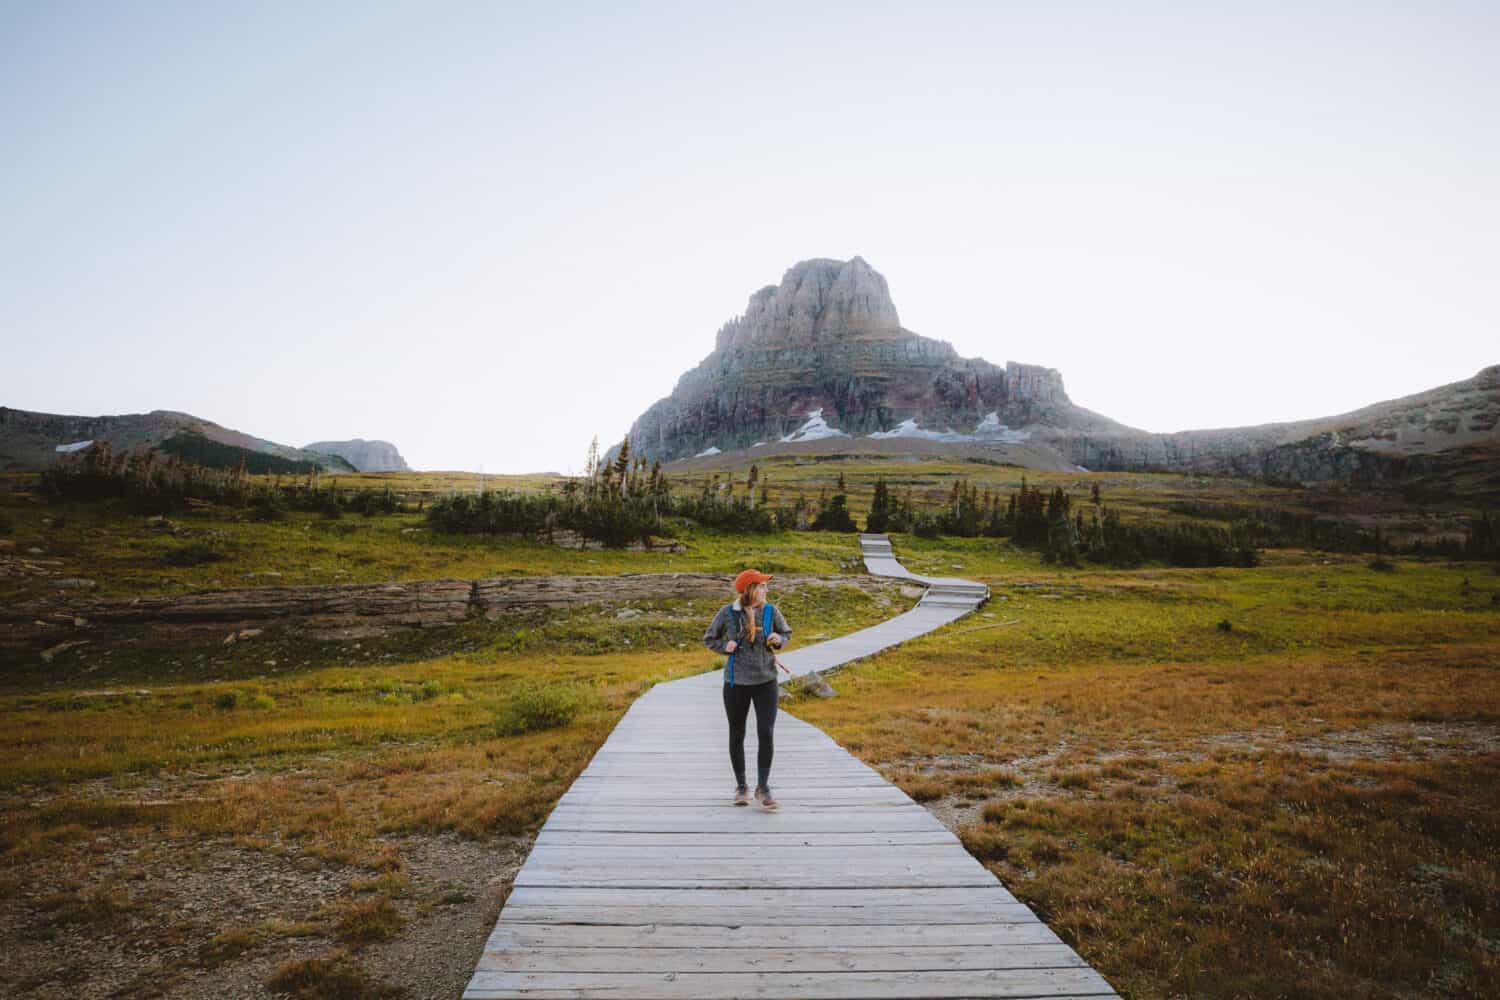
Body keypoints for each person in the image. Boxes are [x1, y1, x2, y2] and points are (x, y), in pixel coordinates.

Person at [702, 569, 792, 811]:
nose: (766, 590)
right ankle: (742, 786)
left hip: (766, 682)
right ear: (751, 589)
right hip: (736, 683)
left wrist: (778, 639)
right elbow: (709, 638)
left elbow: (786, 633)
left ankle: (763, 787)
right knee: (737, 733)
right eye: (762, 586)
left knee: (766, 732)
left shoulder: (772, 611)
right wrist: (725, 646)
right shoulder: (727, 614)